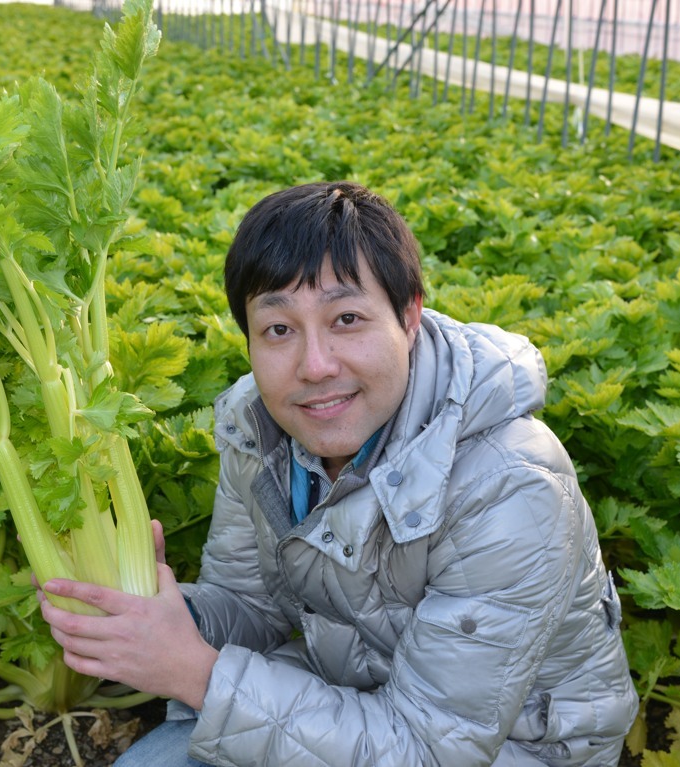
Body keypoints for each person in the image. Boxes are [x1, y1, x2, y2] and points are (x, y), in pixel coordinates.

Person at [38, 181, 639, 766]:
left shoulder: (511, 484)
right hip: (353, 688)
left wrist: (195, 673)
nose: (315, 366)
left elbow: (429, 750)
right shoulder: (259, 436)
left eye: (346, 319)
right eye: (278, 329)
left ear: (408, 317)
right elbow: (256, 608)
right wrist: (159, 614)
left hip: (513, 745)